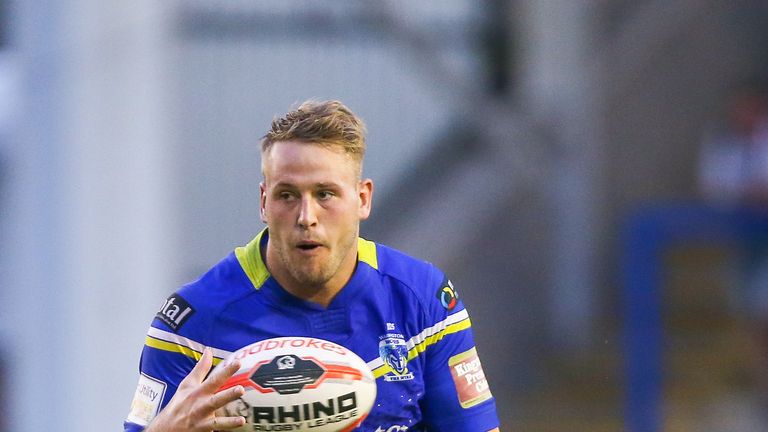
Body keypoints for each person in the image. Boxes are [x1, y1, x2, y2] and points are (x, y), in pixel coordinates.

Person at [124, 100, 500, 432]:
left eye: (325, 194)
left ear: (362, 199)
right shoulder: (192, 326)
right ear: (263, 202)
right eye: (287, 195)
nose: (307, 217)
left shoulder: (423, 302)